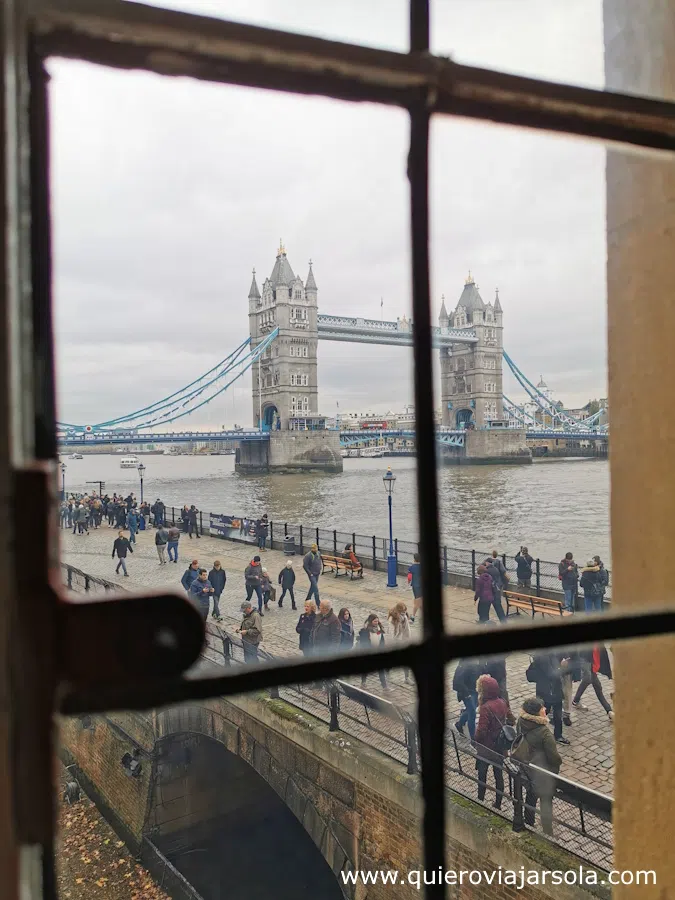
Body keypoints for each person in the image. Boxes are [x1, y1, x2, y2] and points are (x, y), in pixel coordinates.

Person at [510, 697, 562, 836]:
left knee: (530, 796)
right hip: (543, 773)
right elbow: (554, 758)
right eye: (542, 708)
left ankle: (529, 822)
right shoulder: (545, 733)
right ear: (536, 713)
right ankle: (547, 831)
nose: (545, 710)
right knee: (546, 802)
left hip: (527, 768)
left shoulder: (521, 722)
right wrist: (558, 763)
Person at [474, 674, 514, 809]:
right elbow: (512, 720)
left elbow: (481, 731)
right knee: (499, 776)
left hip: (486, 748)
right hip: (500, 747)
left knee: (482, 776)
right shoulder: (502, 702)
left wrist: (475, 739)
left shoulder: (486, 707)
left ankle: (480, 800)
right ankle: (498, 803)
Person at [528, 651, 570, 744]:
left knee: (557, 714)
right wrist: (562, 667)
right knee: (542, 713)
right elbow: (551, 674)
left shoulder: (551, 653)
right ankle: (532, 733)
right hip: (547, 691)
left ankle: (558, 735)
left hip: (554, 690)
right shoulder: (543, 656)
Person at [572, 644, 614, 721]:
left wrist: (609, 674)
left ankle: (609, 711)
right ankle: (576, 701)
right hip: (585, 661)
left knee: (598, 687)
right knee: (588, 679)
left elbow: (605, 660)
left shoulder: (601, 647)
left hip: (592, 667)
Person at [452, 657, 483, 740]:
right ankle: (474, 740)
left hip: (475, 690)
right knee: (472, 713)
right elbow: (457, 681)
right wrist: (466, 694)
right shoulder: (464, 663)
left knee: (471, 709)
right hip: (468, 692)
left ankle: (459, 724)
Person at [358, 614, 389, 691]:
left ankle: (384, 686)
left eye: (377, 621)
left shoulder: (379, 629)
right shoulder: (366, 630)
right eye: (375, 621)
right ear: (370, 621)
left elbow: (382, 640)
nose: (376, 622)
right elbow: (363, 643)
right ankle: (363, 682)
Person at [388, 602, 412, 684]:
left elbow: (405, 624)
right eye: (403, 611)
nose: (404, 612)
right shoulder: (394, 619)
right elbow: (394, 632)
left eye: (405, 611)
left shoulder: (403, 615)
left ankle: (406, 678)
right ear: (398, 610)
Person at [484, 557, 507, 622]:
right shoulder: (495, 569)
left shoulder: (487, 571)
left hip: (491, 593)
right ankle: (503, 621)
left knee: (485, 608)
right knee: (498, 608)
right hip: (497, 592)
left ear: (487, 563)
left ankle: (485, 621)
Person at [407, 552, 422, 623]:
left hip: (416, 587)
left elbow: (409, 577)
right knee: (420, 601)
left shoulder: (412, 567)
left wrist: (408, 581)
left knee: (417, 602)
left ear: (414, 559)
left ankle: (412, 617)